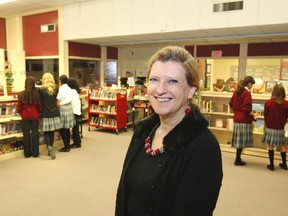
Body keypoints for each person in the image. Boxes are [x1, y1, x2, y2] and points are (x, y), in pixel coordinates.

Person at [115, 46, 223, 216]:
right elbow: (124, 193)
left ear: (191, 90)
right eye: (154, 79)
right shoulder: (143, 131)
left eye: (172, 81)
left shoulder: (203, 147)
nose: (159, 89)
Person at [229, 76, 257, 166]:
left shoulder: (236, 92)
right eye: (252, 85)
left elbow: (231, 103)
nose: (252, 86)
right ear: (249, 84)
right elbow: (247, 109)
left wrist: (237, 111)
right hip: (243, 120)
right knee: (241, 141)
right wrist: (253, 115)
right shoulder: (246, 93)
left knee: (238, 141)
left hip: (237, 119)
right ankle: (237, 159)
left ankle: (238, 158)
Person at [262, 84, 288, 171]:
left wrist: (266, 124)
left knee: (270, 146)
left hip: (270, 127)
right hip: (280, 129)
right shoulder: (286, 103)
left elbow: (265, 115)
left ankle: (271, 165)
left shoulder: (268, 102)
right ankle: (284, 164)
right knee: (281, 147)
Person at [38, 72, 62, 159]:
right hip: (55, 113)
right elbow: (57, 101)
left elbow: (40, 102)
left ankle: (49, 147)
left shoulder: (41, 90)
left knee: (46, 132)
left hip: (45, 113)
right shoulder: (56, 88)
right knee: (52, 132)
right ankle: (50, 147)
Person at [17, 76, 41, 158]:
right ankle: (35, 153)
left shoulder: (21, 94)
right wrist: (37, 113)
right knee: (35, 134)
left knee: (26, 135)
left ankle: (27, 154)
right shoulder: (37, 94)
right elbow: (39, 107)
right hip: (35, 116)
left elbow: (19, 108)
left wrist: (22, 114)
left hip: (25, 117)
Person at [57, 74, 75, 152]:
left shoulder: (61, 89)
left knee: (62, 129)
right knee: (67, 129)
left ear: (60, 81)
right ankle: (67, 145)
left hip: (63, 108)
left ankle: (66, 147)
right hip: (69, 108)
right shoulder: (70, 89)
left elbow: (58, 101)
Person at [67, 78, 82, 148]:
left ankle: (77, 143)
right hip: (77, 111)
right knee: (75, 128)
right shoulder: (75, 91)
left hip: (74, 111)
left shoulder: (72, 91)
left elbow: (70, 101)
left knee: (75, 129)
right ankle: (77, 142)